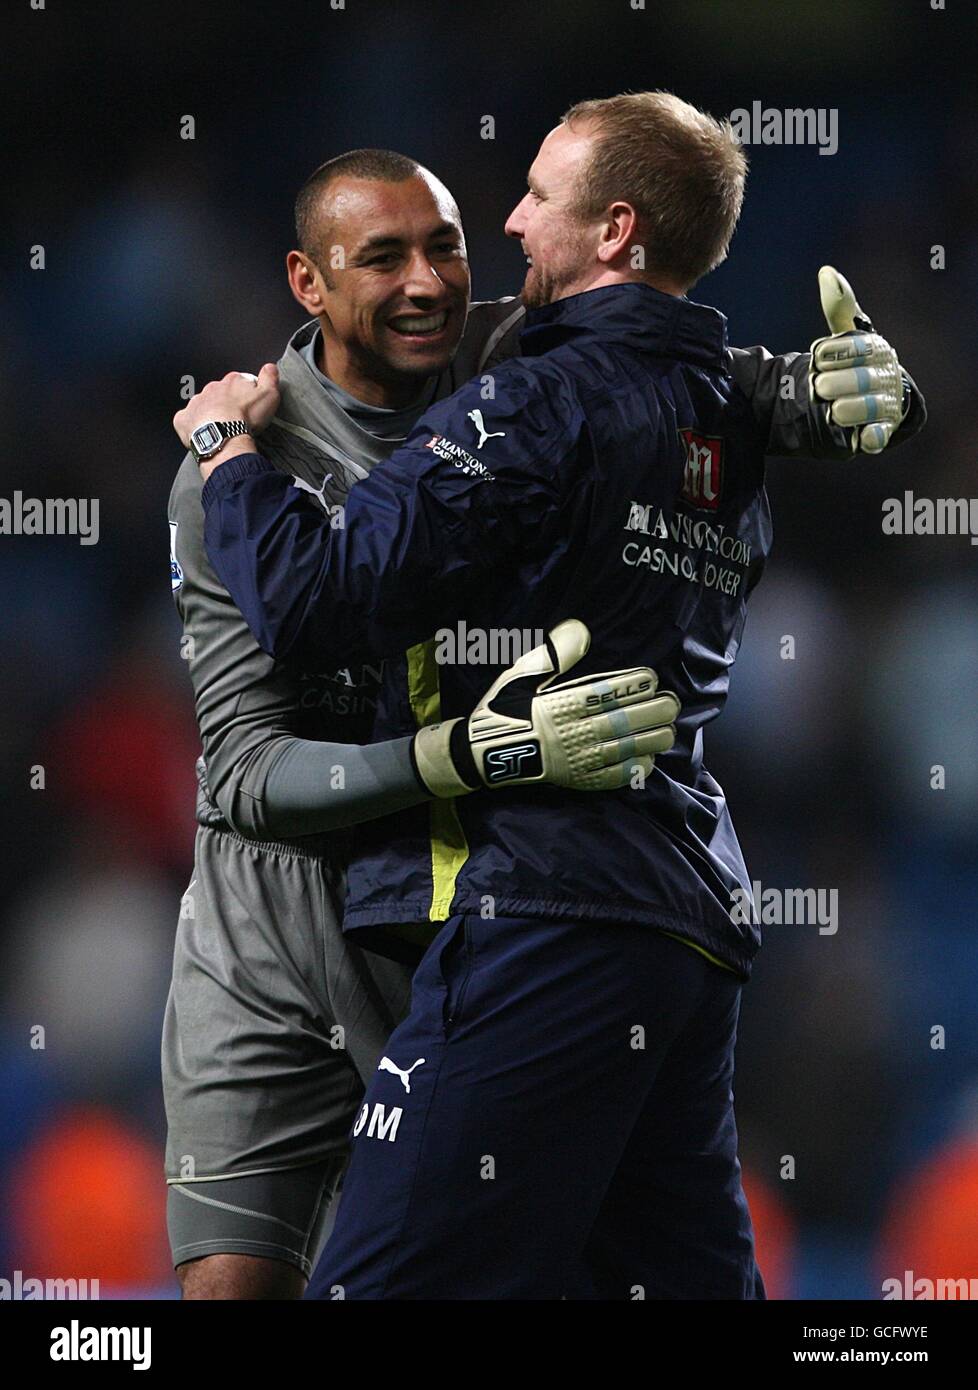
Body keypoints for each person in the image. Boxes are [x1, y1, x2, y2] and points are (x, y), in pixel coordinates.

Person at [174, 104, 926, 1298]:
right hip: (688, 908)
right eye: (389, 255)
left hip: (549, 904)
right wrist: (831, 389)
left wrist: (226, 457)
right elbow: (689, 377)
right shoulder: (726, 407)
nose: (510, 223)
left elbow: (318, 594)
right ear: (307, 283)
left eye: (527, 198)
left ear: (614, 227)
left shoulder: (528, 401)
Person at [164, 147, 682, 1300]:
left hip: (451, 920)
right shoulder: (237, 466)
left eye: (444, 245)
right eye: (382, 257)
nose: (427, 283)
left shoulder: (516, 359)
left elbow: (671, 356)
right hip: (264, 926)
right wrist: (448, 756)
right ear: (308, 282)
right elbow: (245, 768)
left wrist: (793, 392)